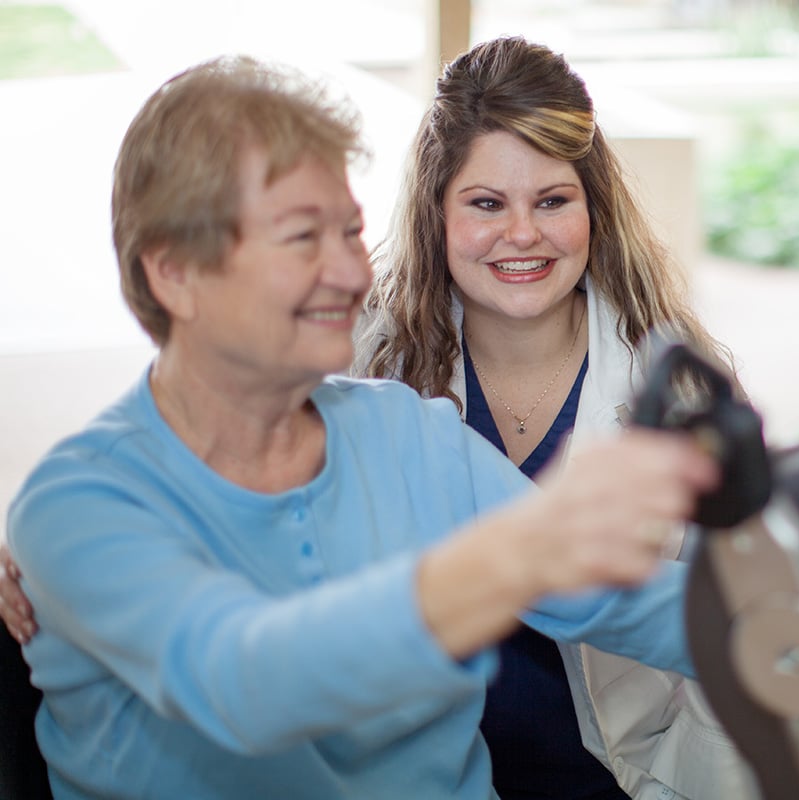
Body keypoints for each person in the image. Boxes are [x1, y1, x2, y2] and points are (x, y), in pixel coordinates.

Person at [2, 54, 720, 800]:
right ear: (173, 273)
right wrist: (519, 551)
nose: (351, 273)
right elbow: (247, 684)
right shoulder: (79, 506)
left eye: (349, 233)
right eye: (303, 238)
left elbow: (628, 600)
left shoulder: (408, 433)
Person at [354, 36, 755, 800]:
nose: (523, 235)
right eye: (485, 203)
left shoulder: (678, 387)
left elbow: (728, 616)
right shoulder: (364, 363)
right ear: (435, 212)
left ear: (591, 206)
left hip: (613, 777)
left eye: (552, 200)